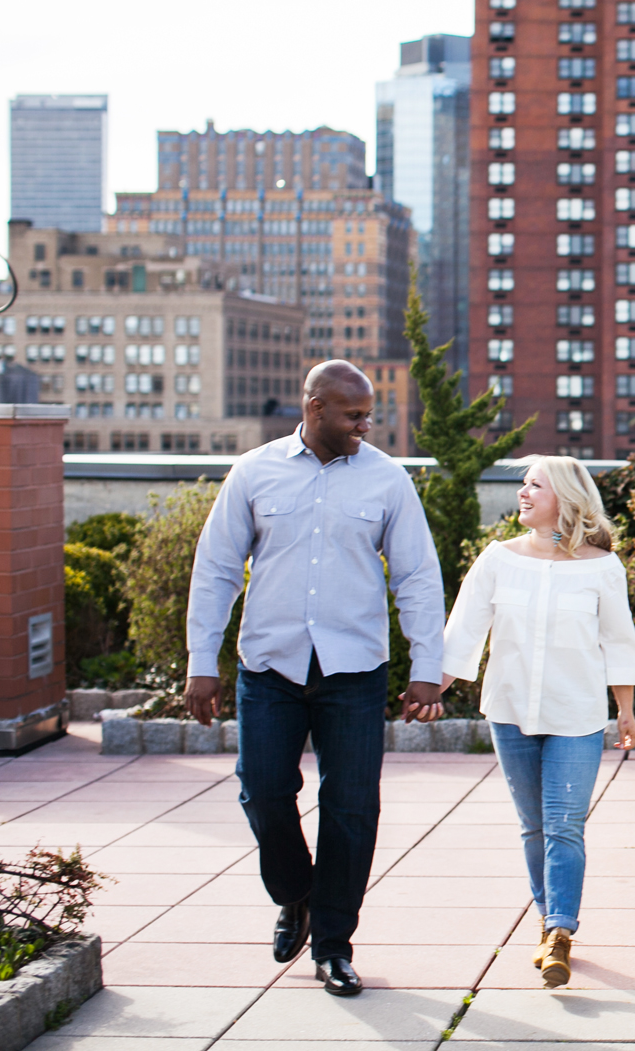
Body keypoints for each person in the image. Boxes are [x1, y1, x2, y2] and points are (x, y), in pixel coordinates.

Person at [184, 360, 447, 997]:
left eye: (368, 413)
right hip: (268, 666)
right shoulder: (253, 471)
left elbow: (416, 576)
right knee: (261, 791)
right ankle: (296, 893)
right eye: (353, 414)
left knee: (352, 809)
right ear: (314, 408)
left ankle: (333, 945)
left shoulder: (388, 480)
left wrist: (426, 671)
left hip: (353, 670)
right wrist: (200, 662)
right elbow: (217, 568)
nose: (366, 423)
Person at [441, 455, 635, 988]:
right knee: (534, 827)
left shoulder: (602, 566)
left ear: (566, 500)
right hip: (509, 712)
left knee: (563, 825)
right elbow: (463, 633)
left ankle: (559, 931)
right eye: (523, 484)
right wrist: (426, 690)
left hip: (575, 716)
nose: (523, 493)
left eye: (536, 485)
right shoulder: (497, 560)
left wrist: (624, 708)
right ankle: (545, 919)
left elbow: (618, 642)